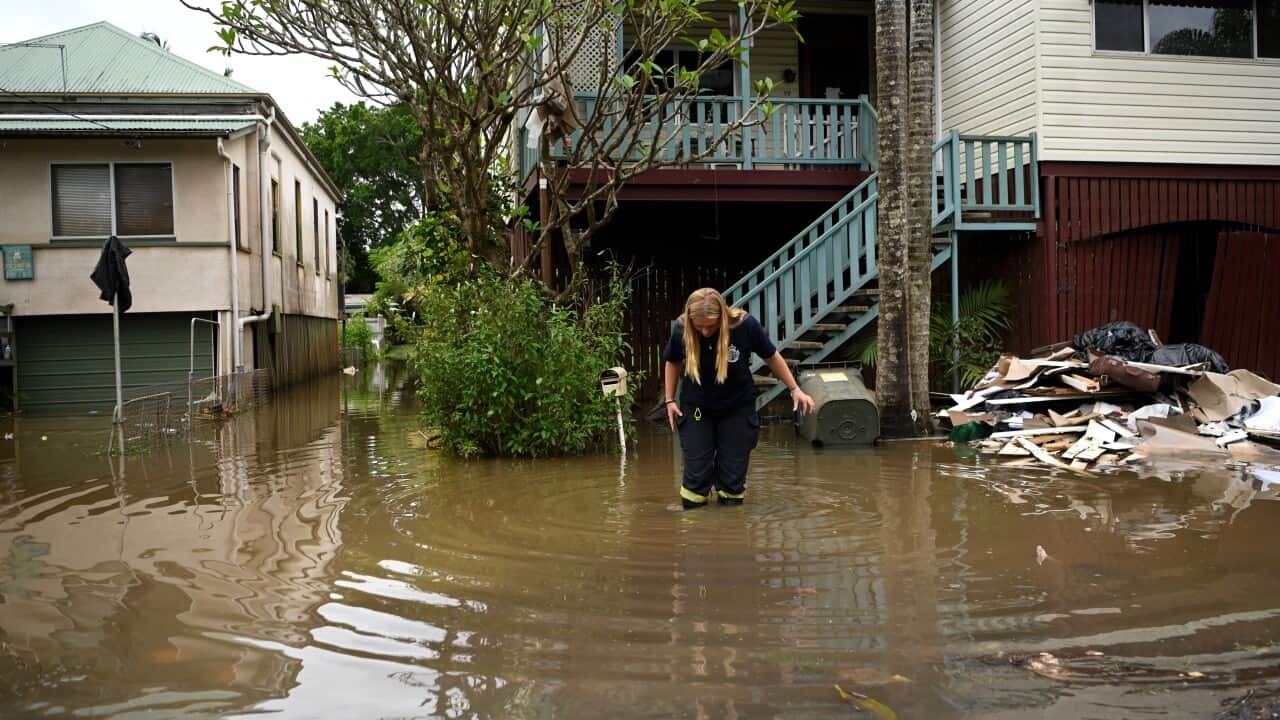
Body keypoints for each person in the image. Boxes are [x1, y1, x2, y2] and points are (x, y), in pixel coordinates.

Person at [662, 288, 815, 509]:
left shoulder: (745, 326)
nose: (705, 331)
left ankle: (731, 522)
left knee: (732, 482)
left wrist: (794, 389)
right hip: (698, 409)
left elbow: (771, 356)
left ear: (723, 317)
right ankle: (693, 523)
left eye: (711, 325)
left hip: (737, 408)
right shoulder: (682, 329)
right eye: (699, 326)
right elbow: (673, 360)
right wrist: (669, 400)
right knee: (696, 476)